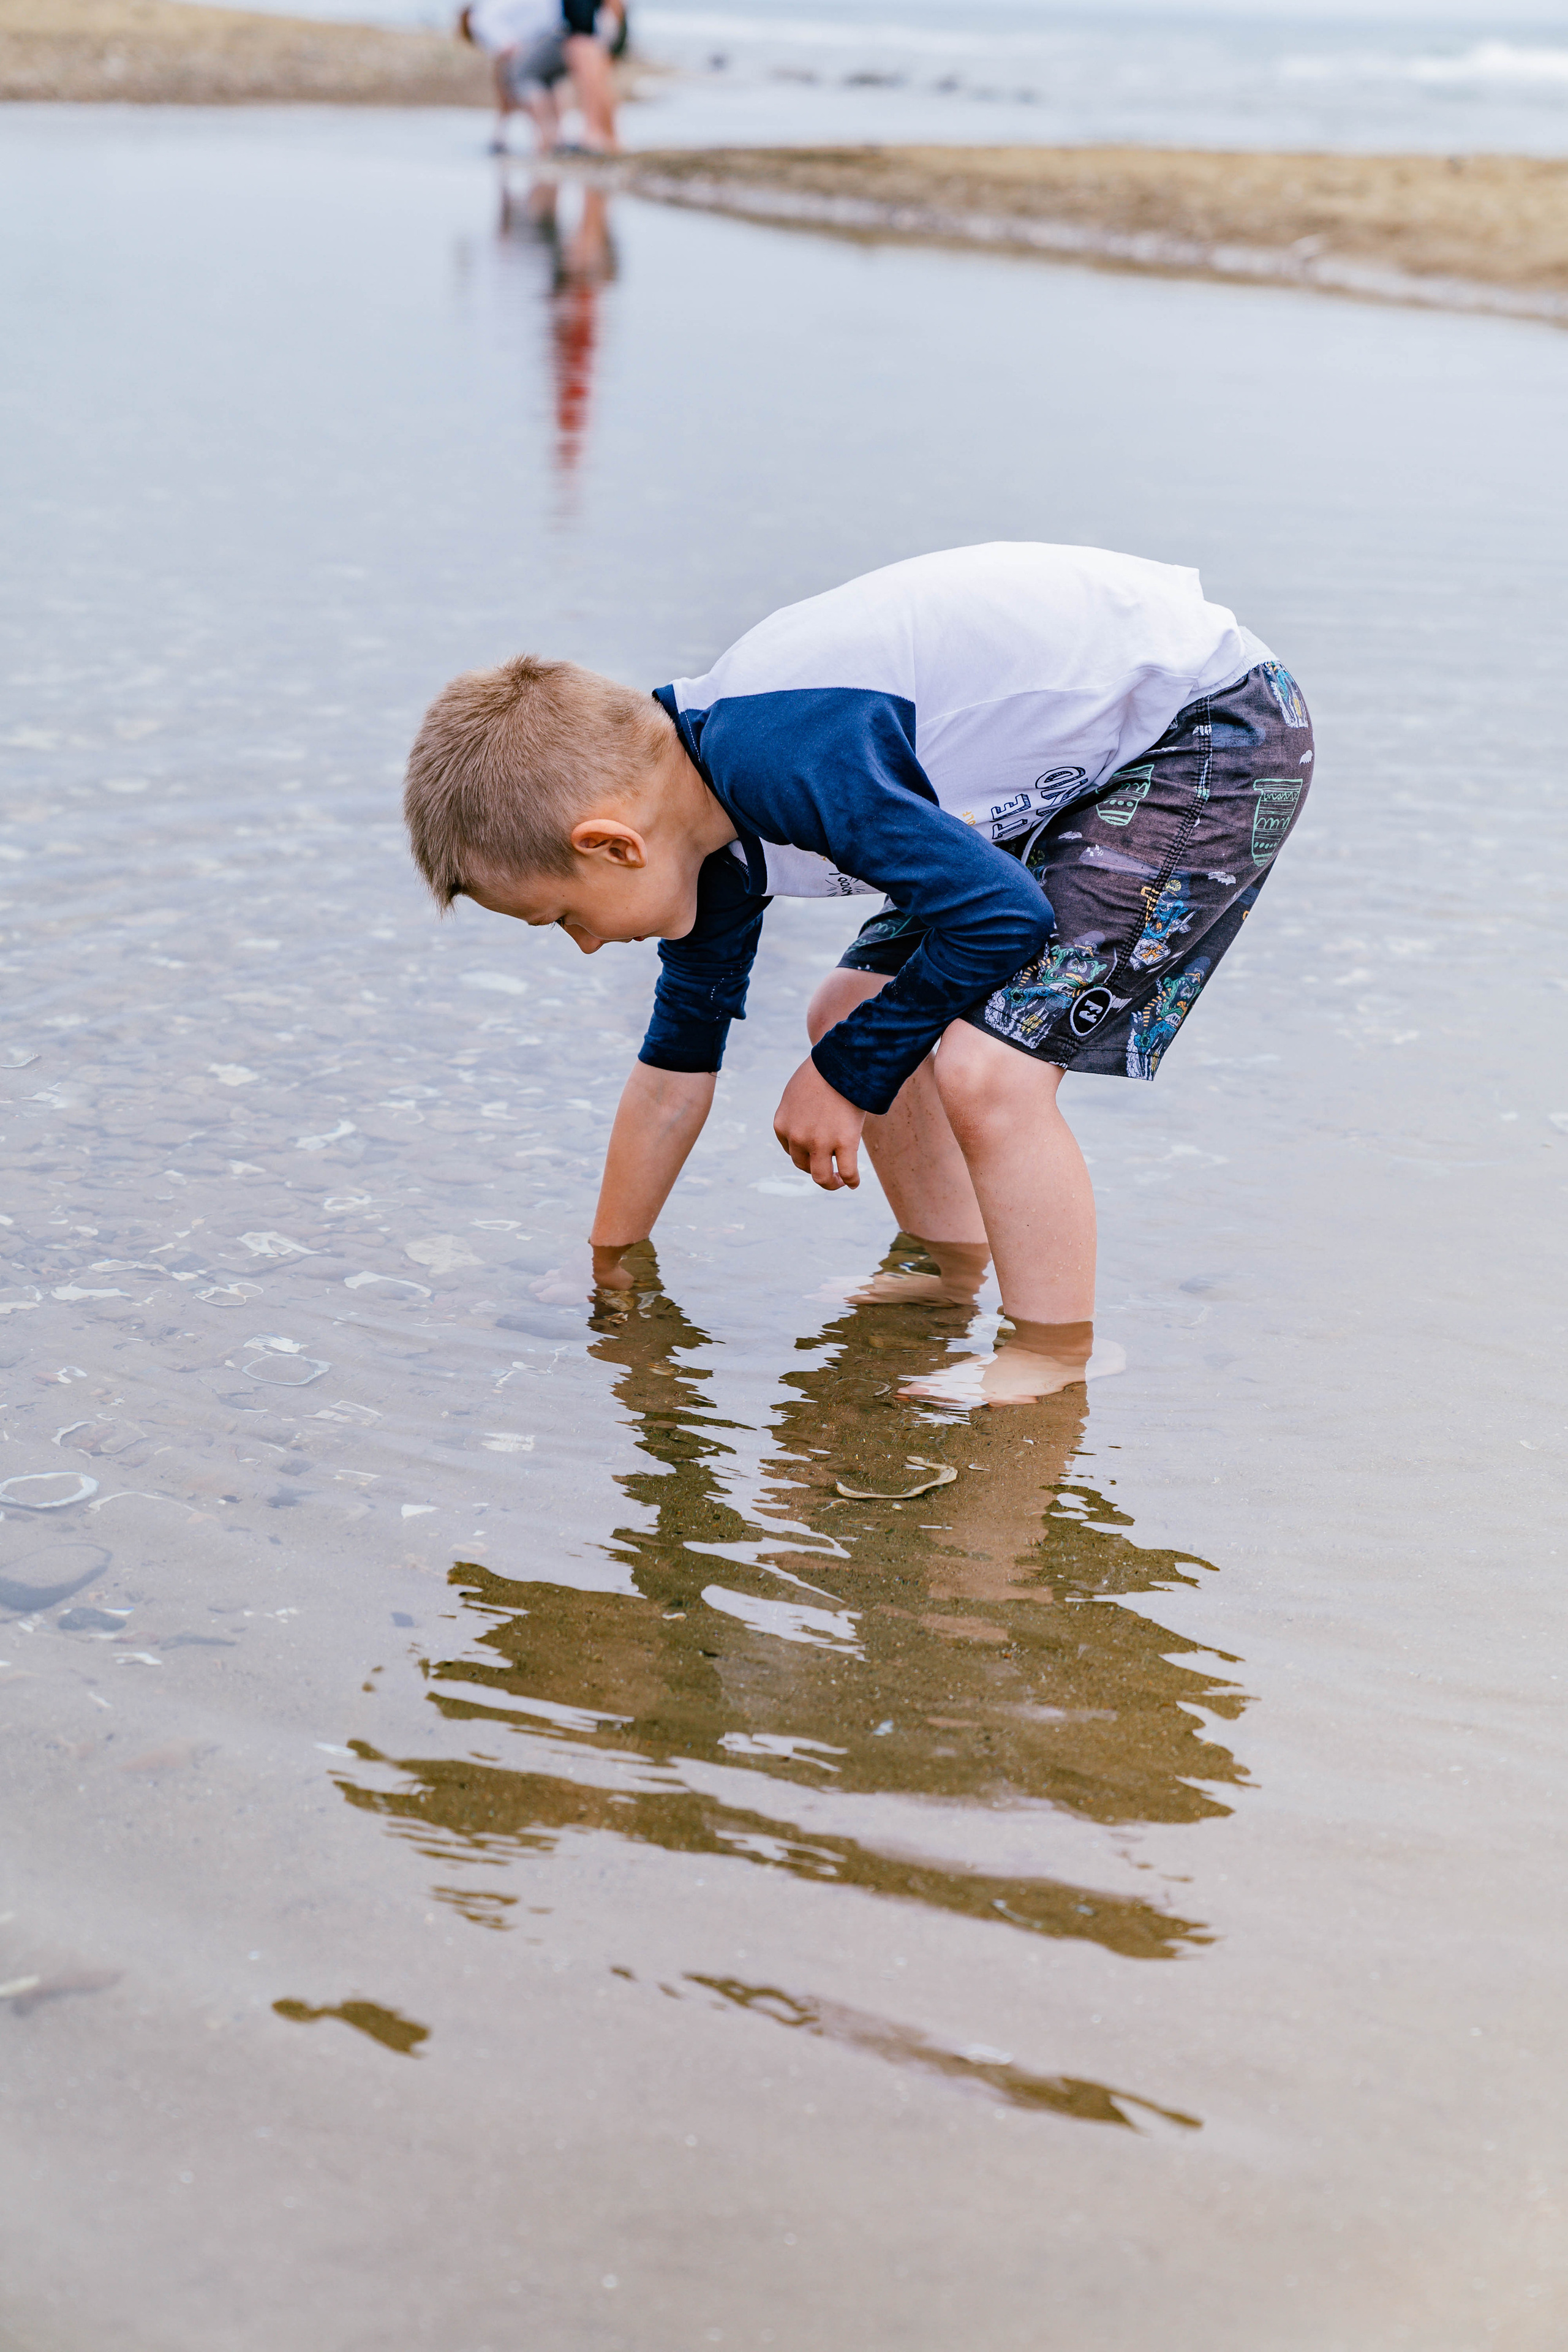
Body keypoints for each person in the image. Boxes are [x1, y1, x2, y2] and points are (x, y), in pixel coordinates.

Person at [402, 543, 1314, 1404]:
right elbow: (674, 1077)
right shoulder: (701, 822)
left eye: (564, 917)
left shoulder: (788, 758)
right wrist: (607, 1262)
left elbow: (1004, 917)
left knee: (987, 1071)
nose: (586, 945)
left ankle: (1054, 1350)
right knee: (854, 1002)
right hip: (1073, 761)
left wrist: (848, 1072)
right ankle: (947, 1267)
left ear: (612, 844)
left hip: (1207, 726)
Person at [460, 0, 571, 155]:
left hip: (556, 28)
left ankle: (545, 141)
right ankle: (557, 138)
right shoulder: (493, 7)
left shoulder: (479, 20)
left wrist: (507, 86)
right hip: (567, 22)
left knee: (525, 77)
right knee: (549, 79)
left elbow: (510, 50)